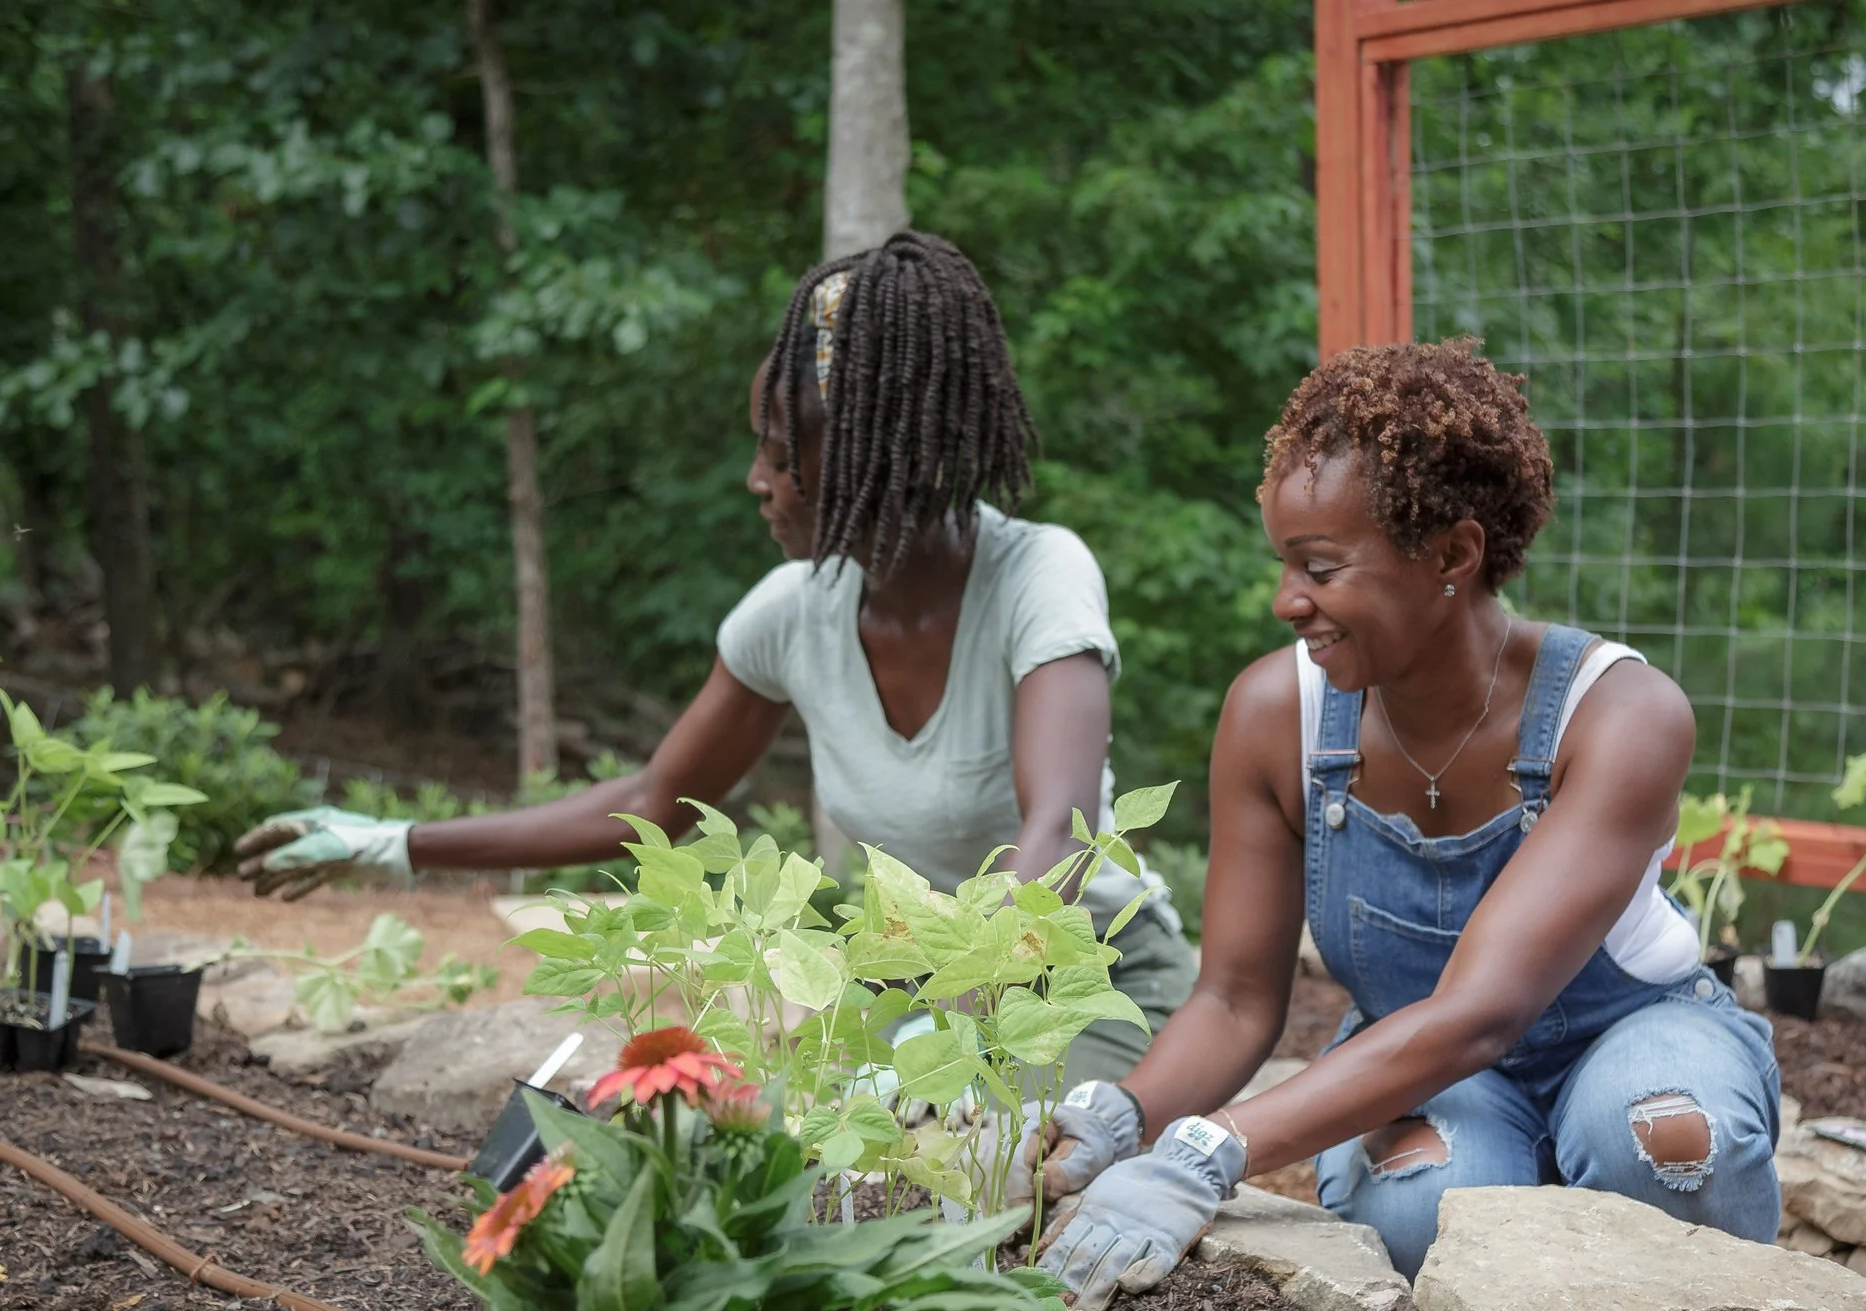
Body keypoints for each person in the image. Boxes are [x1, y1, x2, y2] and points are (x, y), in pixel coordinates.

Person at [233, 231, 1193, 1100]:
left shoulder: (1040, 576)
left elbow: (1058, 836)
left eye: (779, 454)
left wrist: (930, 1040)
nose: (756, 481)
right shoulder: (792, 615)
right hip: (921, 993)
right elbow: (654, 801)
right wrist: (393, 843)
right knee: (750, 1151)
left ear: (868, 461)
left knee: (965, 1170)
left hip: (1088, 979)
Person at [1035, 339, 1783, 1311]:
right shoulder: (1277, 716)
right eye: (1285, 564)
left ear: (1453, 555)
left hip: (1629, 1028)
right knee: (1428, 1199)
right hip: (1416, 1059)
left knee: (1667, 1144)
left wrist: (1212, 1149)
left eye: (1321, 567)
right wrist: (1129, 1116)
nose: (1285, 600)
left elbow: (1483, 1010)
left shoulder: (1620, 714)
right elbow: (1230, 1000)